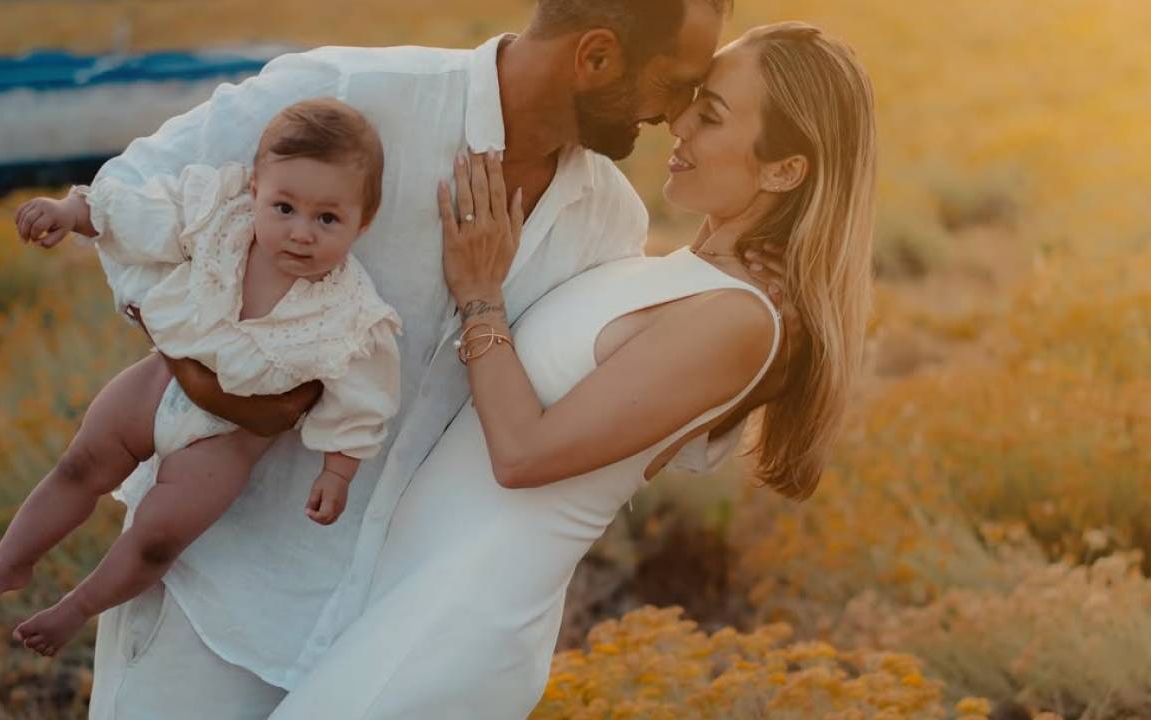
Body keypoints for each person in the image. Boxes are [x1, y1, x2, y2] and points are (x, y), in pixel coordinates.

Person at [76, 1, 794, 717]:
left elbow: (616, 398)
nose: (675, 114)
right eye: (674, 83)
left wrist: (771, 312)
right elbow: (127, 197)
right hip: (216, 587)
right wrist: (212, 376)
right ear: (596, 57)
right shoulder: (356, 94)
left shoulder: (609, 222)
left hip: (387, 631)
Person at [267, 20, 876, 718]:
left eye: (710, 116)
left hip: (449, 630)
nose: (678, 123)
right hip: (401, 601)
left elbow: (524, 455)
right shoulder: (682, 278)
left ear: (784, 170)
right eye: (692, 101)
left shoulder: (741, 319)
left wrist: (480, 295)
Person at [0, 99, 403, 658]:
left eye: (327, 219)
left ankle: (79, 607)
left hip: (224, 441)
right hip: (157, 383)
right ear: (255, 191)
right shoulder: (220, 220)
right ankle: (11, 561)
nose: (301, 233)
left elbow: (365, 397)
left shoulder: (353, 313)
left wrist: (338, 470)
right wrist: (73, 212)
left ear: (364, 222)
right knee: (78, 467)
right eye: (284, 208)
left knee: (158, 538)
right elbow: (144, 215)